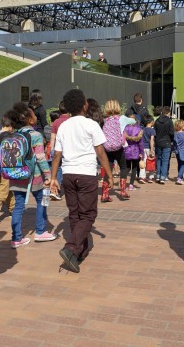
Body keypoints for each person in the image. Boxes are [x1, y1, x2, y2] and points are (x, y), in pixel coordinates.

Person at [50, 89, 113, 273]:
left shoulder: (63, 126)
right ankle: (71, 248)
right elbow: (100, 152)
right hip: (86, 174)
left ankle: (78, 253)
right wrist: (109, 174)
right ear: (84, 105)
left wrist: (53, 177)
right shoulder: (91, 125)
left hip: (68, 174)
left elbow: (57, 155)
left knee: (75, 214)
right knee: (88, 215)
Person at [9, 102, 57, 247]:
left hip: (17, 174)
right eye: (34, 114)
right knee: (43, 199)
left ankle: (16, 238)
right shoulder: (36, 135)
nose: (36, 116)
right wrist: (49, 176)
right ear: (30, 120)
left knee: (18, 205)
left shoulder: (14, 135)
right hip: (35, 175)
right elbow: (41, 158)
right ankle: (41, 231)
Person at [101, 99, 130, 201]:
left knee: (108, 169)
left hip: (108, 148)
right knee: (123, 167)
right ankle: (122, 191)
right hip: (118, 147)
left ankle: (104, 193)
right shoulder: (121, 119)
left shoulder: (104, 120)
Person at [48, 102, 70, 200]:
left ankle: (56, 190)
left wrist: (52, 150)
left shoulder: (56, 122)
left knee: (58, 169)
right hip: (69, 149)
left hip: (58, 148)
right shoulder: (71, 121)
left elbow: (53, 137)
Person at [154, 106, 174, 184]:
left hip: (158, 142)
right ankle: (163, 177)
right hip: (167, 142)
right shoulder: (169, 121)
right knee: (165, 160)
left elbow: (154, 133)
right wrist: (171, 140)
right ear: (168, 113)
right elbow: (172, 133)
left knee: (159, 159)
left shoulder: (157, 121)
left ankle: (158, 176)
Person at [123, 115, 144, 191]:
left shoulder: (125, 128)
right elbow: (141, 143)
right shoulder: (139, 129)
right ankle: (131, 185)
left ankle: (123, 183)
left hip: (127, 150)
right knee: (134, 168)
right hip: (136, 150)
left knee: (127, 168)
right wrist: (142, 153)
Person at [138, 115, 155, 183]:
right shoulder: (152, 130)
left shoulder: (143, 129)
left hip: (142, 147)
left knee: (143, 162)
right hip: (148, 147)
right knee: (151, 162)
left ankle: (142, 177)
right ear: (151, 122)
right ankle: (151, 177)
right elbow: (152, 140)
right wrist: (151, 149)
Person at [173, 119, 184, 185]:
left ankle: (181, 177)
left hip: (177, 151)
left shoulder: (175, 134)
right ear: (181, 126)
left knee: (179, 164)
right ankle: (179, 177)